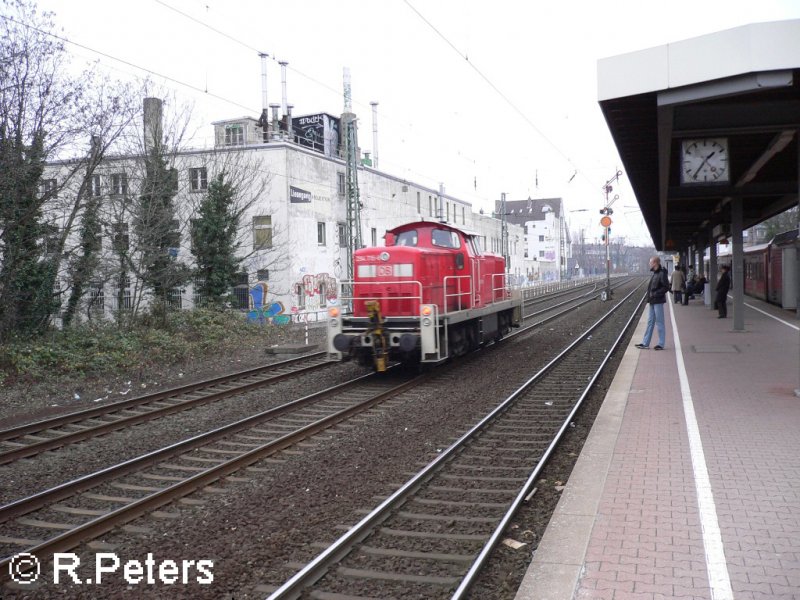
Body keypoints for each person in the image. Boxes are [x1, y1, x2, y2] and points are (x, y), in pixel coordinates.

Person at [636, 255, 669, 350]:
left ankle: (661, 344)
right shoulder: (655, 273)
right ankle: (645, 343)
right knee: (650, 322)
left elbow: (666, 287)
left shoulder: (661, 273)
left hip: (658, 301)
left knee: (660, 322)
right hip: (652, 301)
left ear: (655, 263)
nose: (649, 264)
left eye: (650, 262)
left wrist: (655, 294)